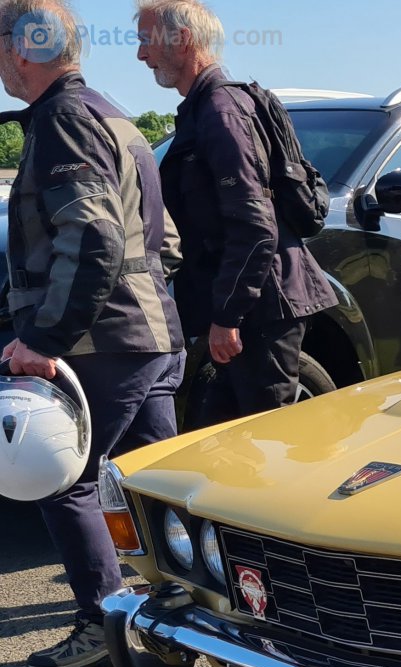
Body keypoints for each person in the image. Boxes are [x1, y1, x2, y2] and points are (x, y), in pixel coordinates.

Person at [0, 0, 186, 667]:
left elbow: (95, 237)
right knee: (160, 482)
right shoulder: (111, 114)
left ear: (29, 44)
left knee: (63, 480)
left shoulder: (63, 121)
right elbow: (162, 239)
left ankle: (101, 620)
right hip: (151, 333)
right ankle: (184, 607)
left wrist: (45, 338)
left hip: (102, 344)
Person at [135, 0, 335, 424]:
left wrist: (228, 317)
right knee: (230, 440)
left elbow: (255, 226)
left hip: (261, 313)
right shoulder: (204, 109)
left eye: (146, 42)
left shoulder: (222, 112)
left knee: (273, 440)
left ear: (182, 40)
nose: (141, 55)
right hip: (246, 311)